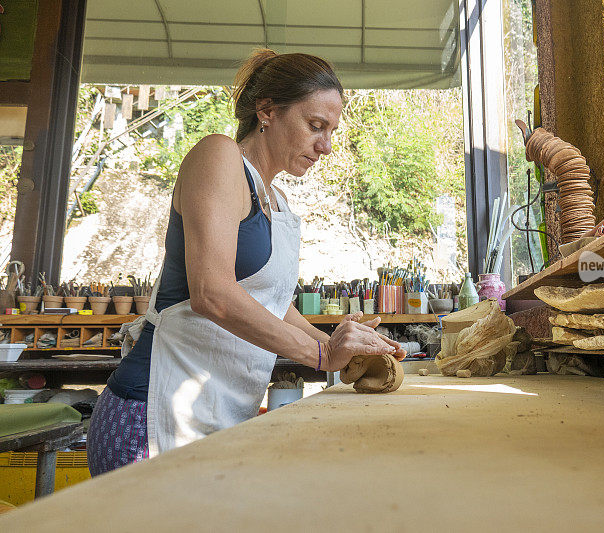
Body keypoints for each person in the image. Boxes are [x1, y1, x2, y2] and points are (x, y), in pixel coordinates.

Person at [87, 49, 405, 475]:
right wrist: (321, 352)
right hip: (151, 415)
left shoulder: (277, 200)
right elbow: (213, 293)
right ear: (267, 110)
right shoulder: (218, 157)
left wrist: (347, 349)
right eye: (315, 126)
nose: (325, 146)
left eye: (331, 131)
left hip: (219, 413)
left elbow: (271, 302)